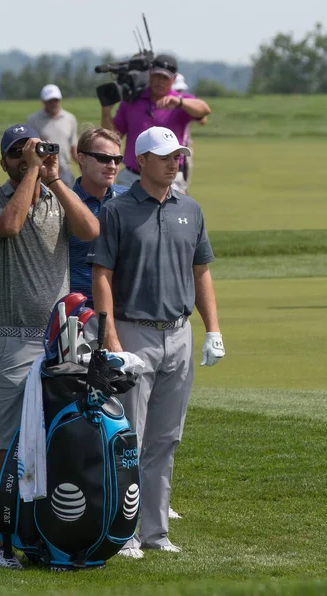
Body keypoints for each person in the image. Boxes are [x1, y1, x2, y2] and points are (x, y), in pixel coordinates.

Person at [87, 126, 225, 558]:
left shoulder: (191, 209)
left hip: (179, 334)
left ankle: (155, 532)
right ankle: (121, 532)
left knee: (167, 439)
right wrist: (110, 339)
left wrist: (214, 330)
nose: (174, 162)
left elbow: (201, 271)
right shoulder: (118, 211)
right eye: (165, 156)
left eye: (178, 155)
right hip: (133, 333)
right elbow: (101, 276)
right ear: (140, 160)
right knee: (129, 439)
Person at [0, 123, 99, 569]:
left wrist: (56, 177)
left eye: (33, 152)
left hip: (60, 338)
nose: (25, 160)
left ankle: (45, 535)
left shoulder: (55, 196)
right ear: (4, 160)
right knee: (6, 444)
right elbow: (9, 225)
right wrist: (30, 172)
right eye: (16, 155)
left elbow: (90, 230)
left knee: (58, 441)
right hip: (11, 340)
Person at [101, 54, 211, 193]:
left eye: (165, 78)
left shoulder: (179, 100)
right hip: (132, 176)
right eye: (157, 76)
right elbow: (113, 137)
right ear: (150, 74)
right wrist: (106, 112)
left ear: (174, 79)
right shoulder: (132, 101)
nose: (160, 81)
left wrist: (179, 103)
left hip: (169, 177)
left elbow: (205, 110)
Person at [69, 126, 127, 307]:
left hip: (124, 311)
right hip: (79, 311)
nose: (112, 166)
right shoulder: (65, 203)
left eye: (117, 160)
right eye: (104, 158)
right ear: (82, 158)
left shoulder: (130, 199)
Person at [27, 84, 79, 187]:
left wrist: (84, 166)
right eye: (50, 101)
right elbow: (29, 148)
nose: (53, 104)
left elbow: (73, 148)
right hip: (42, 169)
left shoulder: (70, 119)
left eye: (55, 100)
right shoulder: (33, 120)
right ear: (43, 101)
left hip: (64, 170)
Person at [172, 73, 208, 190]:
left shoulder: (184, 103)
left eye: (181, 90)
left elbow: (203, 119)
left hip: (184, 147)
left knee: (183, 181)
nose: (179, 93)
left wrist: (184, 105)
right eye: (177, 90)